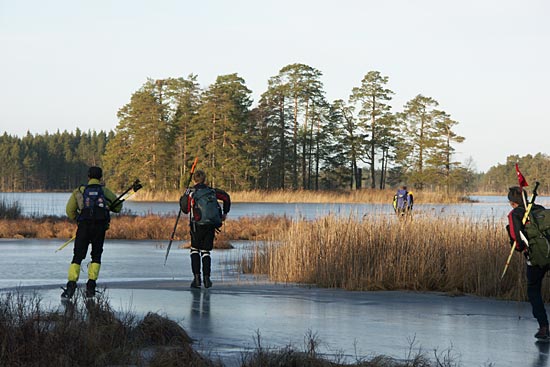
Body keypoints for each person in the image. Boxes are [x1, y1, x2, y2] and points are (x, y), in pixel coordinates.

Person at [62, 166, 123, 299]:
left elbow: (69, 211)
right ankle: (91, 286)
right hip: (99, 228)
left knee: (77, 256)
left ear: (88, 177)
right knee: (96, 256)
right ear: (100, 178)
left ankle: (71, 286)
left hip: (84, 227)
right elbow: (118, 207)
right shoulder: (105, 191)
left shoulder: (80, 191)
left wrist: (79, 219)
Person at [506, 186, 548, 339]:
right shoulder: (539, 208)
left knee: (533, 290)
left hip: (535, 258)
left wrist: (517, 246)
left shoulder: (515, 214)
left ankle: (544, 327)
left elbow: (518, 243)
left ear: (512, 202)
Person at [179, 169, 231, 289]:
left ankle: (197, 279)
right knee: (206, 251)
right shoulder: (212, 191)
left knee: (195, 250)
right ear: (205, 179)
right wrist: (224, 213)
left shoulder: (191, 192)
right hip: (211, 224)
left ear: (194, 180)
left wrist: (184, 196)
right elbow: (226, 198)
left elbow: (185, 209)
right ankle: (207, 279)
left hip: (196, 225)